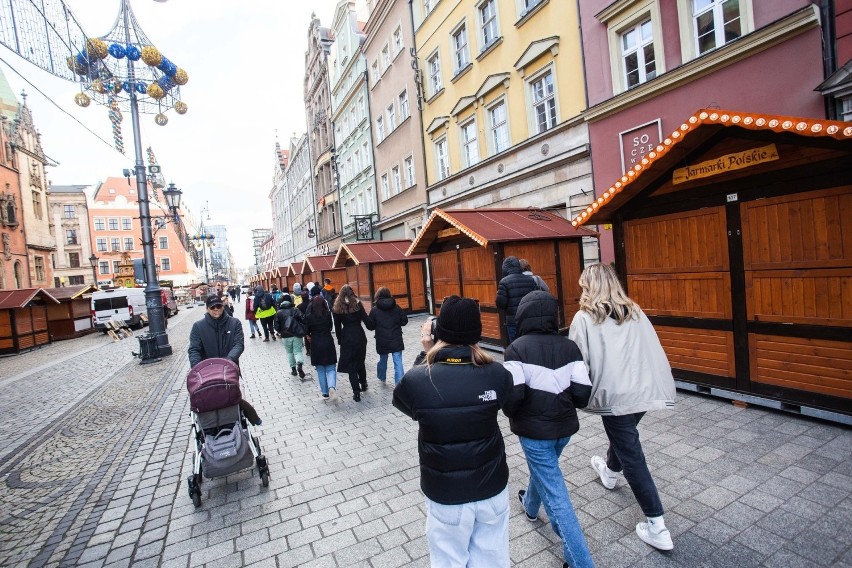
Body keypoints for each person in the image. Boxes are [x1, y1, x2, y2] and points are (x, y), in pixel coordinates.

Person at [393, 296, 514, 568]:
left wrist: (426, 353)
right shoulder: (497, 373)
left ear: (437, 332)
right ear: (477, 332)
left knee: (448, 561)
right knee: (493, 560)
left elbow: (407, 403)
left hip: (444, 493)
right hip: (492, 485)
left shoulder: (418, 379)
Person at [568, 263, 676, 552]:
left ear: (588, 286)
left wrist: (575, 393)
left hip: (613, 395)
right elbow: (651, 348)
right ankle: (610, 472)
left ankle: (657, 525)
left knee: (632, 453)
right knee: (624, 438)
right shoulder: (635, 312)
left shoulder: (584, 318)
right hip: (643, 390)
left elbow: (579, 360)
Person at [503, 291, 594, 568]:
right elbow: (582, 394)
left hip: (533, 432)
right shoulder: (570, 348)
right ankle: (530, 506)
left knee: (557, 495)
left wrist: (512, 412)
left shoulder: (515, 349)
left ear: (523, 315)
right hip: (563, 429)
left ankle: (581, 562)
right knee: (545, 470)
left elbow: (513, 397)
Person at [188, 294, 261, 426]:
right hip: (207, 375)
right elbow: (194, 349)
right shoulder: (198, 327)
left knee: (232, 398)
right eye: (212, 307)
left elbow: (238, 344)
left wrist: (228, 362)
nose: (216, 309)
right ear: (207, 309)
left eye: (219, 306)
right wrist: (197, 368)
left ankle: (238, 424)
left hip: (229, 371)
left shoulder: (234, 323)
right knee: (209, 400)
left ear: (223, 306)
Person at [332, 285, 373, 401]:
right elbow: (366, 320)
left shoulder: (337, 307)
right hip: (359, 335)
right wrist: (373, 325)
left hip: (347, 337)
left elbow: (337, 327)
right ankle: (363, 383)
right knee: (360, 360)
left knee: (351, 366)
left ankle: (356, 392)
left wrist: (340, 340)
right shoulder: (357, 304)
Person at [368, 287, 408, 385]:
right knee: (398, 362)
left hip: (382, 339)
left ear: (377, 295)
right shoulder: (396, 307)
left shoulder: (375, 310)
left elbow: (371, 326)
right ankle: (399, 385)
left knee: (383, 360)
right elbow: (404, 321)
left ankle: (382, 377)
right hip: (396, 338)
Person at [495, 256, 538, 344]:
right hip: (529, 320)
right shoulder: (530, 280)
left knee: (516, 347)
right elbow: (536, 298)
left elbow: (501, 304)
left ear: (505, 268)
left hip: (513, 321)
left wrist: (498, 295)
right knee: (529, 344)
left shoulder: (504, 282)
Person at [305, 294, 338, 400]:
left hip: (316, 343)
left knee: (320, 370)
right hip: (327, 341)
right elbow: (330, 327)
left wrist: (309, 337)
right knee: (331, 368)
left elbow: (307, 331)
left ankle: (325, 393)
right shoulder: (328, 314)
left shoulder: (309, 317)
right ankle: (332, 387)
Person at [273, 293, 306, 378]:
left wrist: (281, 331)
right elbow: (303, 319)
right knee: (298, 351)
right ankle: (299, 365)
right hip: (296, 334)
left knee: (289, 352)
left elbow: (276, 326)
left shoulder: (279, 312)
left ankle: (293, 370)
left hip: (285, 336)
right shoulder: (295, 309)